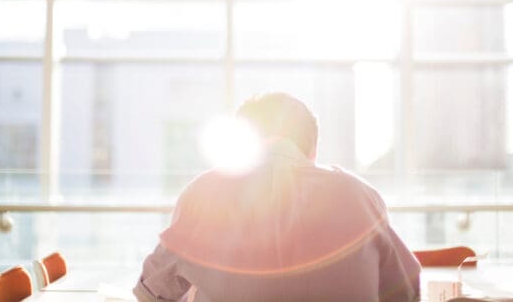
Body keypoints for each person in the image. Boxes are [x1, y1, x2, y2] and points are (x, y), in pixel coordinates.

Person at [134, 92, 420, 302]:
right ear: (313, 150)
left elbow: (150, 293)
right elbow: (407, 290)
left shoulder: (204, 194)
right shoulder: (360, 196)